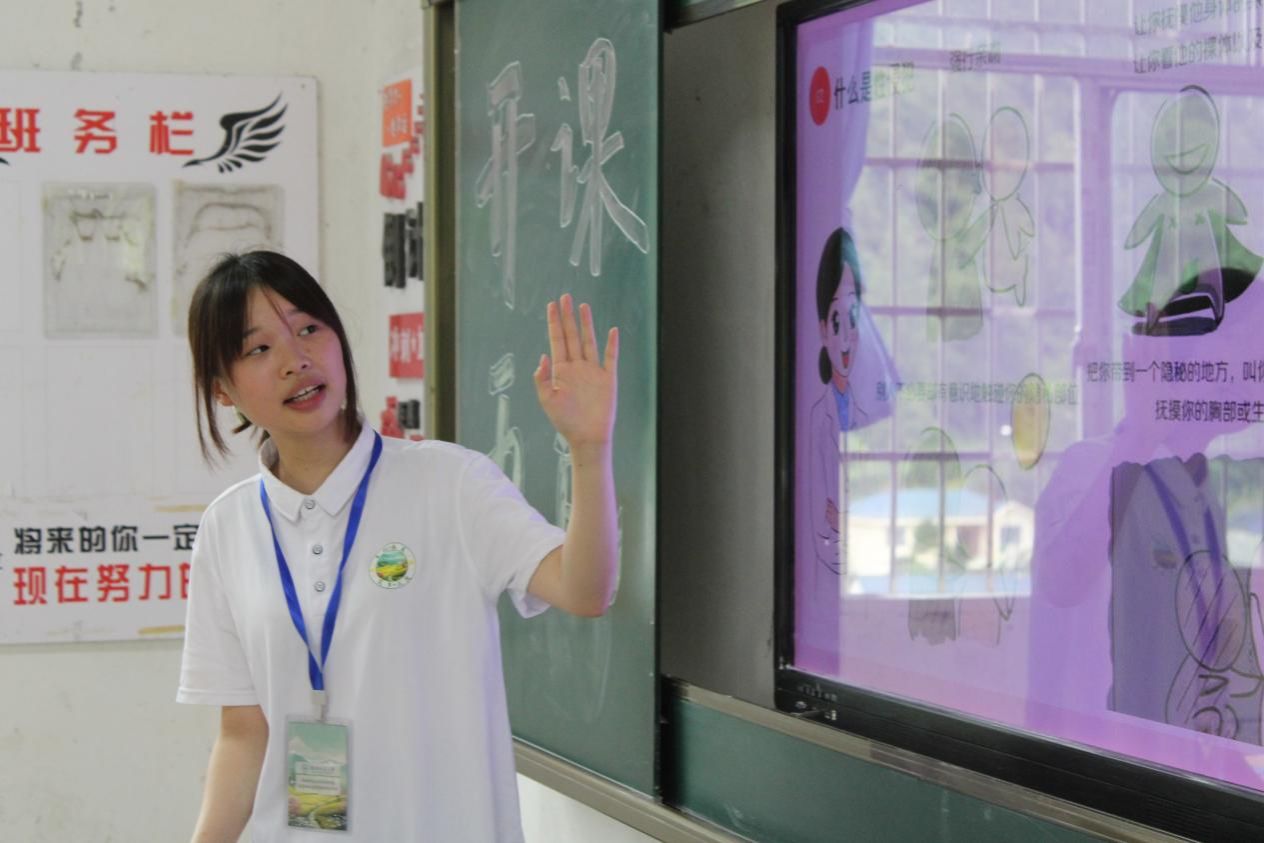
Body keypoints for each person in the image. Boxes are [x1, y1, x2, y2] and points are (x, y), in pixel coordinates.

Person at [177, 251, 619, 842]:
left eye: (308, 329)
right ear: (222, 390)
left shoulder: (450, 482)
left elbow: (585, 590)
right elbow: (242, 732)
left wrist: (590, 448)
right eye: (258, 349)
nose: (295, 360)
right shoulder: (227, 527)